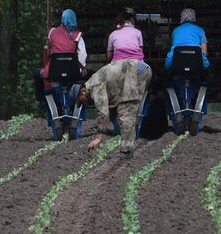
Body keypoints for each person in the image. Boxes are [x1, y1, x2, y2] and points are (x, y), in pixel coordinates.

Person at [85, 58, 152, 157]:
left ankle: (126, 151)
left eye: (81, 100)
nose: (84, 103)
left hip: (134, 71)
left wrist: (98, 138)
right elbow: (110, 108)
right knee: (126, 109)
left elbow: (103, 111)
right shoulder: (94, 80)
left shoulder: (94, 86)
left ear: (82, 91)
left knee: (126, 111)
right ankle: (128, 144)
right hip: (141, 69)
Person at [40, 9, 89, 139]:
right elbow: (82, 56)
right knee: (88, 79)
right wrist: (82, 68)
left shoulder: (52, 33)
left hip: (54, 71)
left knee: (39, 75)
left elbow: (50, 50)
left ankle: (42, 101)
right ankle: (80, 105)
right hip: (73, 74)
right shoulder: (78, 35)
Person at [165, 8, 210, 134]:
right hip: (196, 66)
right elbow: (205, 52)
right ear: (194, 18)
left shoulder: (175, 31)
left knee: (168, 74)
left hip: (177, 65)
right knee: (205, 74)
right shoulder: (200, 30)